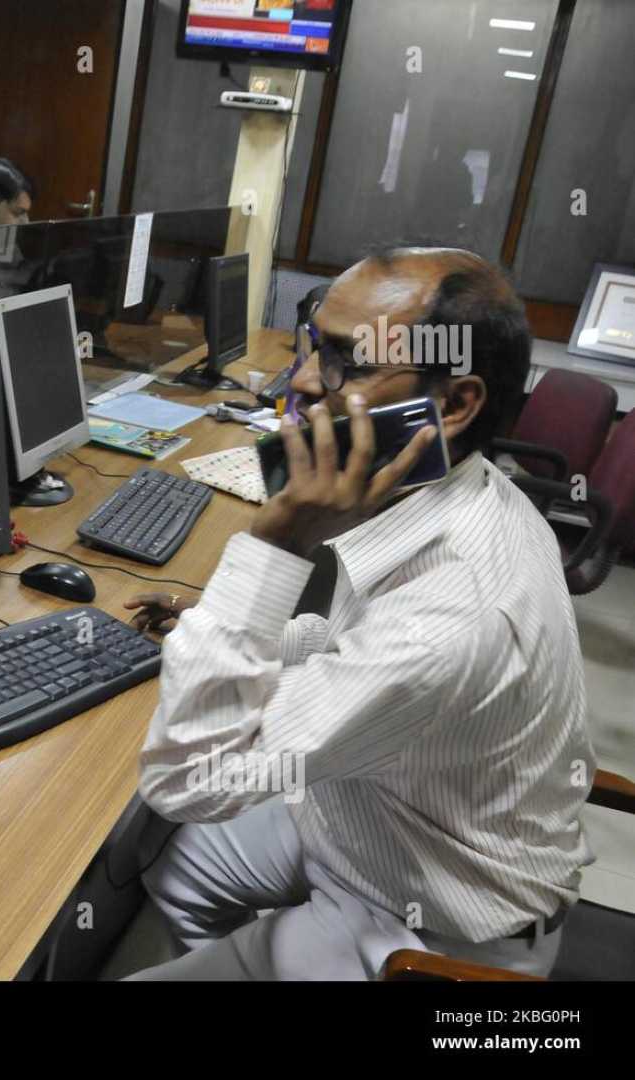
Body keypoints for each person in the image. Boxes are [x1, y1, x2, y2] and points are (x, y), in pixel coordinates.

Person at [121, 247, 592, 980]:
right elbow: (352, 648)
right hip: (369, 812)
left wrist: (272, 548)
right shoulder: (447, 488)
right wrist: (240, 631)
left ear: (454, 404)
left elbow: (186, 781)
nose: (305, 382)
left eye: (349, 362)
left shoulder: (455, 609)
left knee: (170, 818)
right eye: (316, 346)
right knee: (178, 870)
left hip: (432, 915)